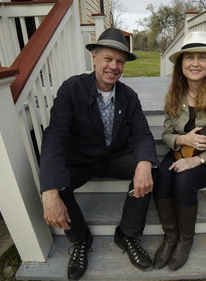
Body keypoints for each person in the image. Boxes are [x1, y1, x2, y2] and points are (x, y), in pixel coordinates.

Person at [39, 28, 159, 281]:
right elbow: (55, 136)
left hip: (114, 157)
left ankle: (127, 234)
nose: (114, 66)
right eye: (108, 58)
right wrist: (48, 192)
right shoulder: (72, 88)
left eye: (120, 61)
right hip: (81, 159)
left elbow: (142, 134)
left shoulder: (129, 96)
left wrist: (145, 163)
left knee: (151, 171)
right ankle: (81, 239)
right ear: (94, 57)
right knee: (57, 185)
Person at [153, 31, 206, 270]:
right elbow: (166, 135)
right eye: (189, 57)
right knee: (161, 177)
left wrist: (197, 162)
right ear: (181, 64)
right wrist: (182, 138)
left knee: (183, 181)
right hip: (181, 151)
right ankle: (170, 238)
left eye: (202, 57)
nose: (195, 63)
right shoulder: (174, 94)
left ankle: (185, 240)